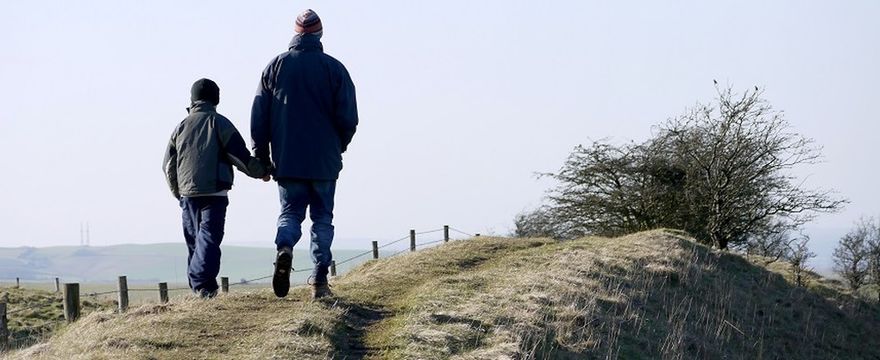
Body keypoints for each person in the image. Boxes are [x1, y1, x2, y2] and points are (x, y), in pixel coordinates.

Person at [251, 9, 358, 299]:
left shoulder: (275, 67)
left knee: (290, 213)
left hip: (288, 159)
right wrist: (338, 146)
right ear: (319, 34)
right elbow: (349, 118)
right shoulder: (335, 69)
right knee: (322, 219)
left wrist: (262, 157)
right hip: (324, 161)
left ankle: (284, 247)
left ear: (295, 34)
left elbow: (259, 116)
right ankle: (320, 279)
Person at [164, 78, 271, 298]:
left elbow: (168, 165)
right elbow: (240, 157)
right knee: (209, 239)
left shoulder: (180, 127)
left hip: (187, 195)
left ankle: (202, 288)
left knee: (195, 242)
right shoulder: (220, 123)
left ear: (192, 99)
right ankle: (204, 286)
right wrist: (262, 171)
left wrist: (178, 192)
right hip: (215, 192)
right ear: (216, 99)